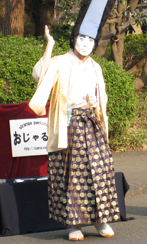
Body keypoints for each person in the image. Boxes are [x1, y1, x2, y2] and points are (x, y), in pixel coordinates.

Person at [29, 26, 120, 241]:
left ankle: (101, 219)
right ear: (73, 40)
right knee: (71, 174)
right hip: (68, 122)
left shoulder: (95, 66)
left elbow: (102, 98)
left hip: (92, 121)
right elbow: (39, 75)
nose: (86, 43)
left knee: (100, 169)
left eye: (91, 39)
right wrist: (49, 44)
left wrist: (102, 121)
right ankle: (74, 223)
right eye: (82, 38)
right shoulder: (60, 62)